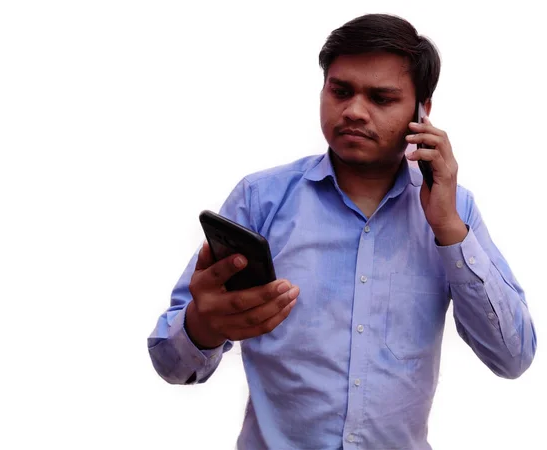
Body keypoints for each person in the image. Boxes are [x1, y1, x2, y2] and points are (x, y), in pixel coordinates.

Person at [147, 13, 536, 450]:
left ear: (422, 111)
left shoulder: (454, 211)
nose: (353, 110)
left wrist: (447, 228)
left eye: (381, 97)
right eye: (341, 91)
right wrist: (202, 326)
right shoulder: (260, 200)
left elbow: (513, 358)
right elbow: (169, 363)